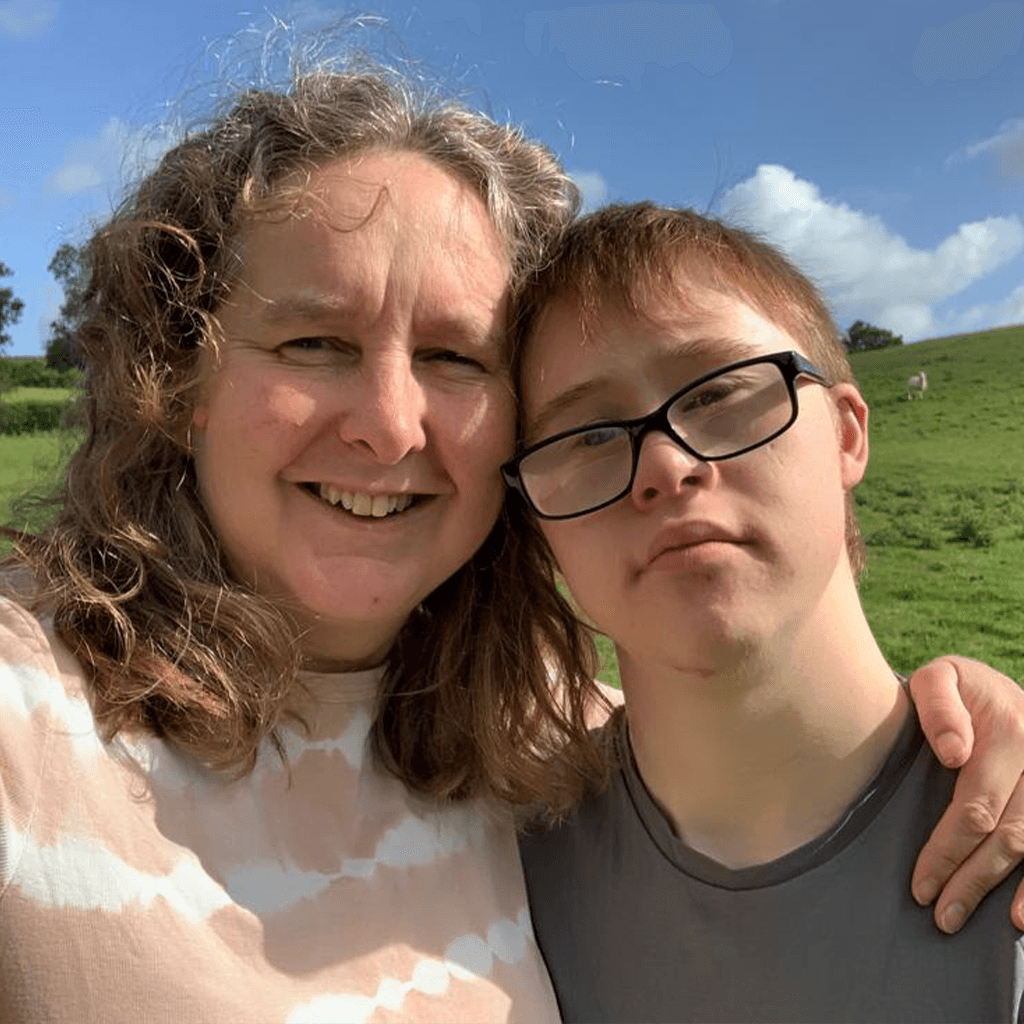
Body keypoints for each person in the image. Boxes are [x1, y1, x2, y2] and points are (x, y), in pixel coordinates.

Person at [0, 54, 1021, 1024]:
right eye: (313, 341)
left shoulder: (533, 748)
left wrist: (965, 733)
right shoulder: (25, 710)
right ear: (182, 383)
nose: (389, 425)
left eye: (455, 357)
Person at [508, 202, 1024, 1022]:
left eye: (718, 391)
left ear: (847, 435)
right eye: (591, 437)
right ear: (538, 524)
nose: (664, 466)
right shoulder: (487, 881)